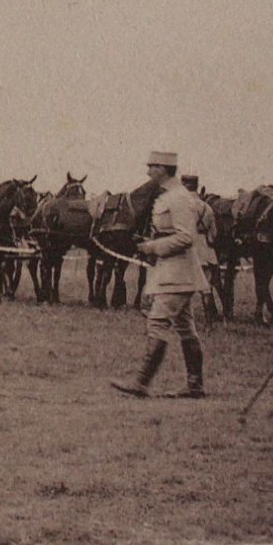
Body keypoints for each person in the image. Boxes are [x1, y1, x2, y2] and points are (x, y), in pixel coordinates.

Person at [112, 151, 206, 399]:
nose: (148, 172)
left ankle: (141, 382)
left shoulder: (178, 198)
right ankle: (195, 385)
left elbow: (186, 237)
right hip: (171, 271)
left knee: (157, 322)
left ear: (163, 168)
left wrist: (152, 247)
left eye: (152, 167)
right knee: (185, 328)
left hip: (178, 273)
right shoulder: (169, 196)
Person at [182, 173, 220, 317]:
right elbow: (214, 234)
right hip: (204, 252)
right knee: (206, 288)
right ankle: (208, 322)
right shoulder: (207, 208)